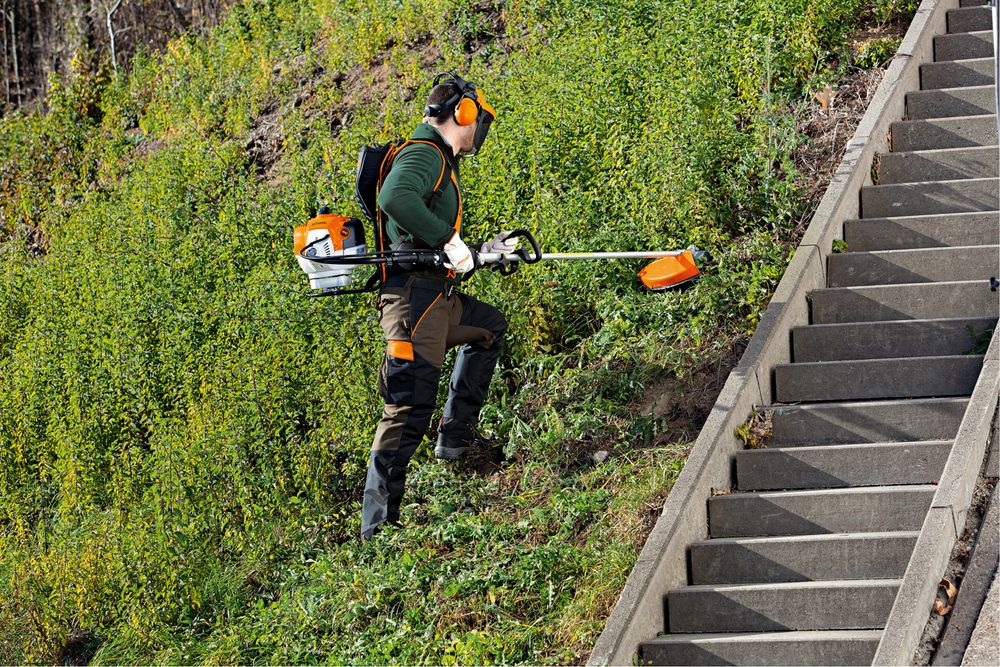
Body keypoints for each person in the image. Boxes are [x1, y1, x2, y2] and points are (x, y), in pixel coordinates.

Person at [360, 71, 513, 540]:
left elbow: (430, 238)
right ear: (462, 114)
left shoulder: (442, 164)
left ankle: (455, 439)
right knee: (408, 408)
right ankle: (378, 530)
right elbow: (394, 198)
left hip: (438, 299)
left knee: (489, 328)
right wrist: (449, 239)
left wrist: (478, 249)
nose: (479, 130)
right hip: (413, 304)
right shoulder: (426, 153)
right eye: (478, 119)